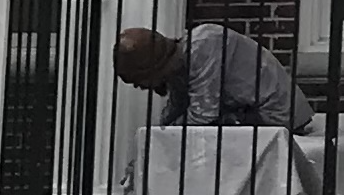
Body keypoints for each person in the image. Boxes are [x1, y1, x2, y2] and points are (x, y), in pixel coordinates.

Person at [112, 15, 313, 134]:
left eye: (139, 81)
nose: (140, 87)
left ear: (155, 68)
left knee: (209, 133)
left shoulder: (204, 45)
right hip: (251, 112)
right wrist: (152, 143)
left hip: (277, 115)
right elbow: (177, 107)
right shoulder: (182, 62)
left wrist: (164, 137)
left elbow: (203, 114)